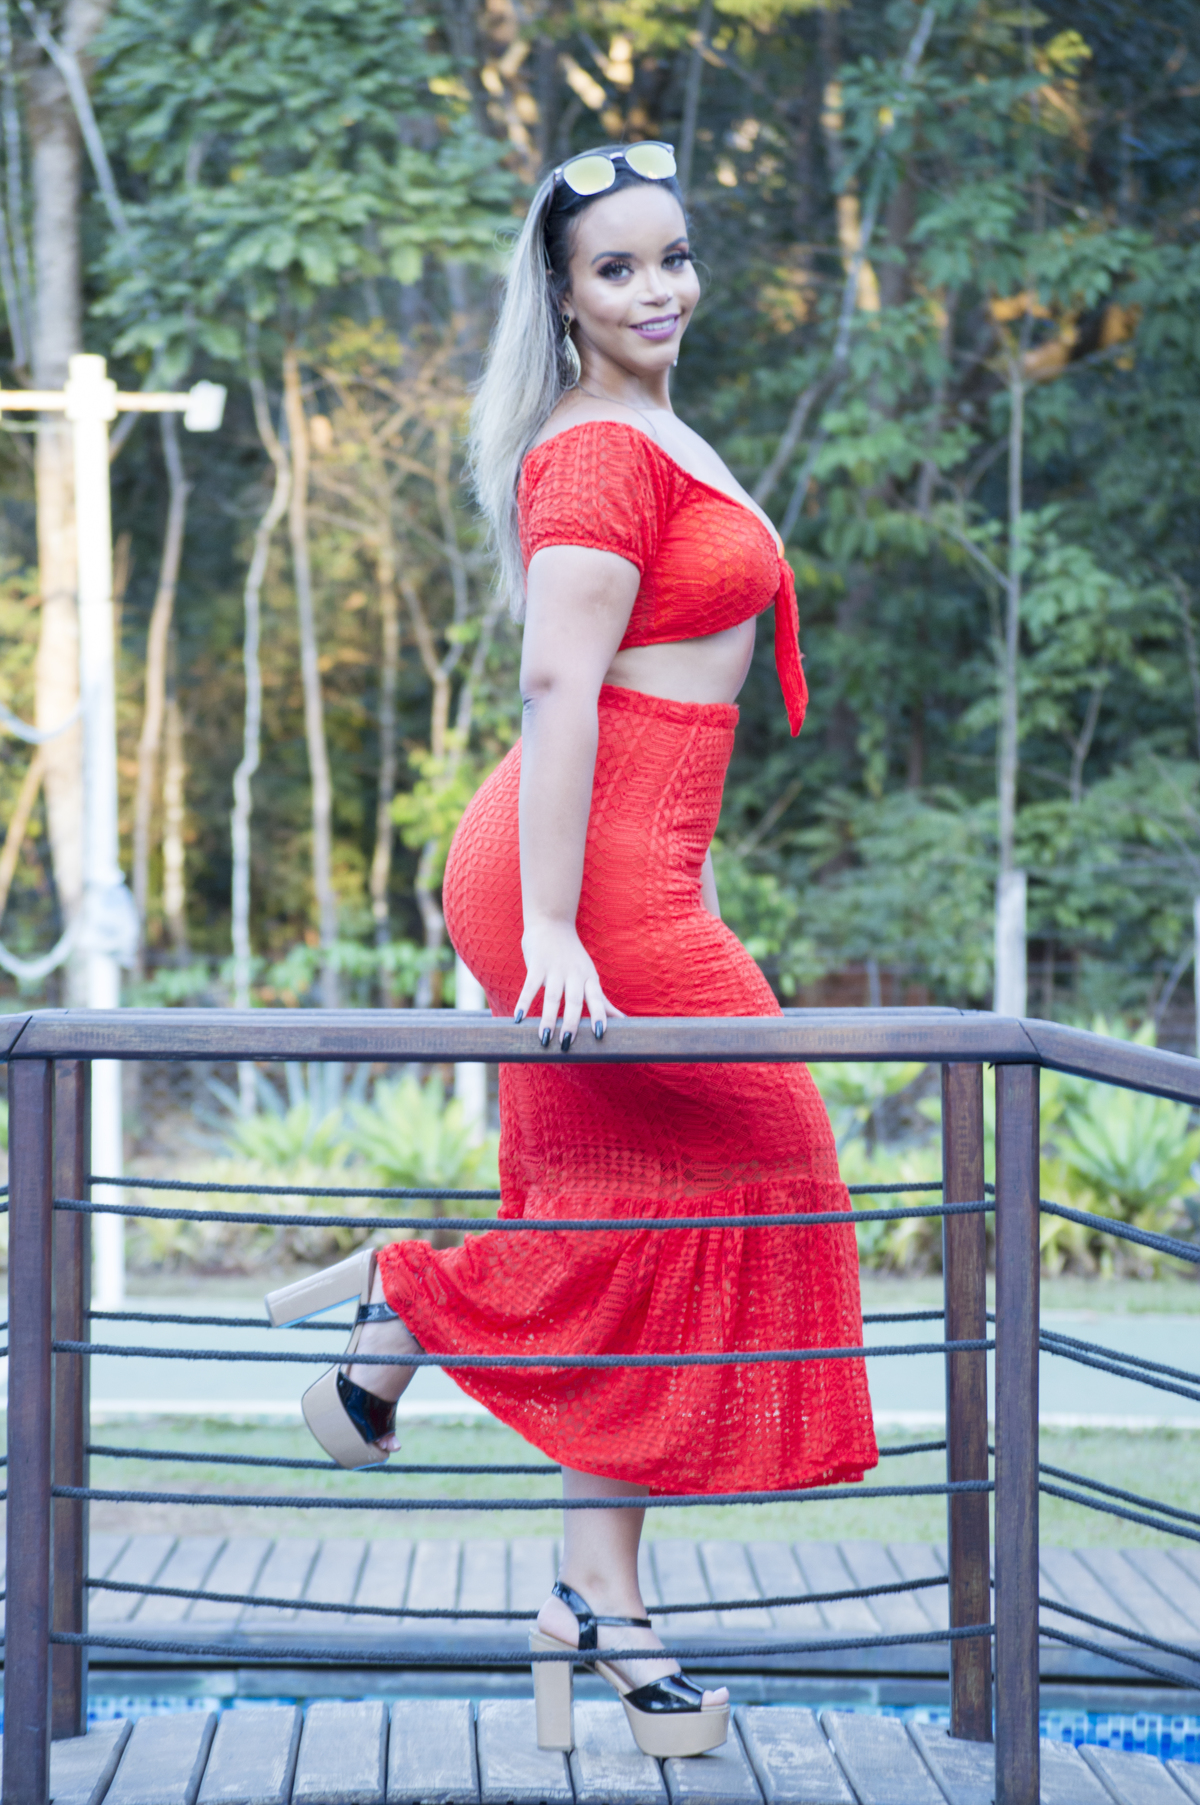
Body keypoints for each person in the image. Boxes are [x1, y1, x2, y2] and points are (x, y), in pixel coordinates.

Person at [265, 140, 877, 1760]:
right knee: (776, 1156)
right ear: (562, 293)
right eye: (618, 267)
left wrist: (622, 899)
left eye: (673, 257)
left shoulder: (657, 424)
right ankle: (410, 1298)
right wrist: (548, 927)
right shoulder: (597, 450)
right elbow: (556, 687)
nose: (658, 288)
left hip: (634, 867)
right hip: (581, 880)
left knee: (632, 1204)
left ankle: (591, 1598)